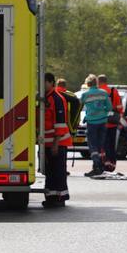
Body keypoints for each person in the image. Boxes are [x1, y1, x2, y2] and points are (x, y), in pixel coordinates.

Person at [41, 72, 72, 206]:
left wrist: (55, 143)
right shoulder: (45, 98)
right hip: (48, 143)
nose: (41, 85)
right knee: (50, 172)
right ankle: (51, 197)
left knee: (58, 171)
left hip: (57, 142)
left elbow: (60, 123)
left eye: (44, 82)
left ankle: (60, 198)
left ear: (51, 83)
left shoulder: (57, 98)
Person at [78, 74, 112, 176]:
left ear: (88, 84)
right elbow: (109, 108)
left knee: (93, 146)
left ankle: (96, 166)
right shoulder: (104, 93)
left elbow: (79, 107)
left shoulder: (85, 95)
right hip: (103, 122)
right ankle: (101, 166)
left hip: (92, 123)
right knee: (100, 145)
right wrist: (102, 111)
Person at [96, 73, 123, 171]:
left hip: (100, 123)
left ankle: (103, 164)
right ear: (106, 81)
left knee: (101, 145)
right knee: (111, 145)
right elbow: (120, 107)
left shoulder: (97, 92)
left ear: (98, 82)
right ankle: (112, 165)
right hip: (112, 123)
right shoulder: (113, 91)